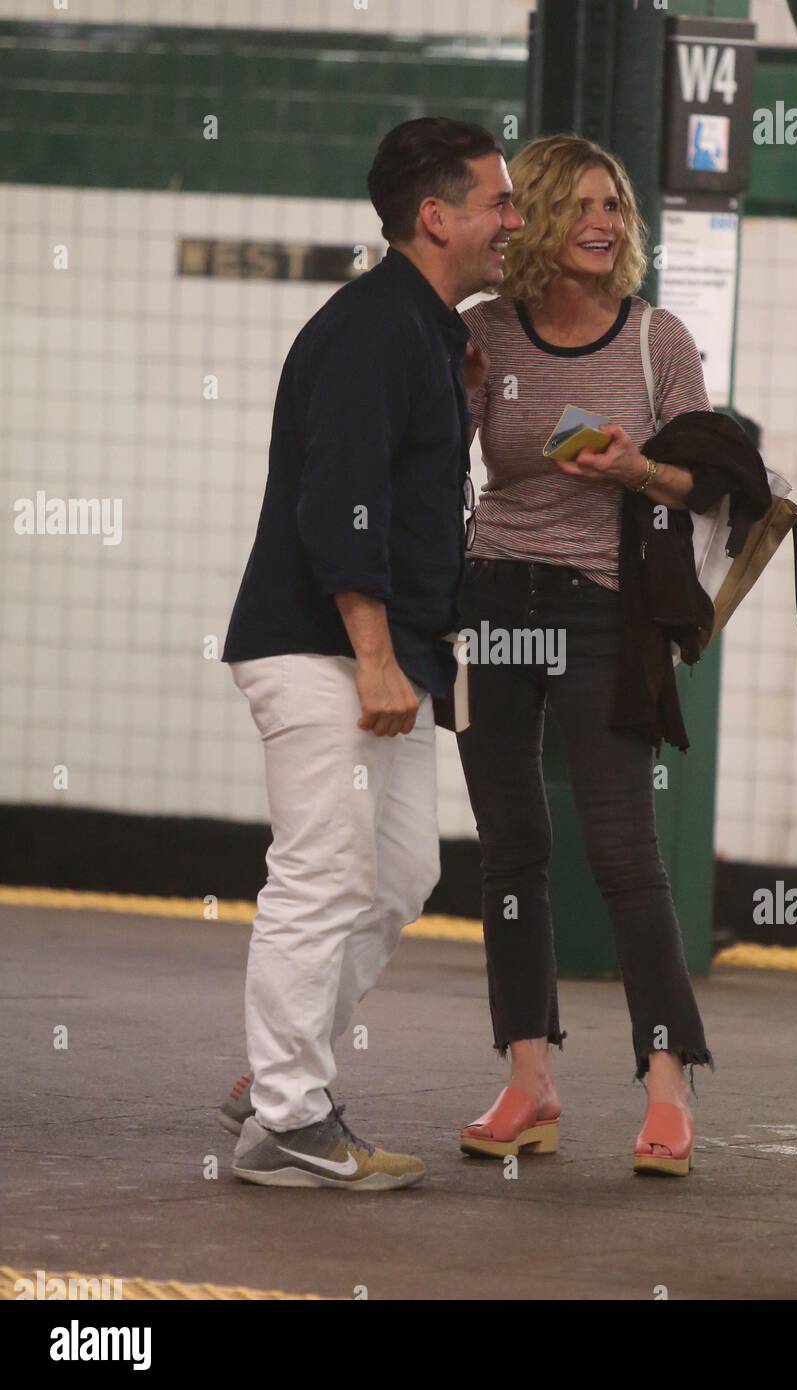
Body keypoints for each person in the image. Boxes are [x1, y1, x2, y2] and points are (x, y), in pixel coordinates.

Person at [219, 117, 523, 1190]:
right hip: (325, 650)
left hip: (385, 653)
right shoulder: (372, 329)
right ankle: (288, 1120)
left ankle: (275, 1080)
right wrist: (376, 654)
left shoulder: (425, 333)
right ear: (435, 216)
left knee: (398, 874)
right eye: (498, 201)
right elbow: (339, 504)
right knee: (322, 875)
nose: (514, 220)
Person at [456, 134, 713, 1177]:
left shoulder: (658, 339)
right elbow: (448, 459)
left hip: (605, 613)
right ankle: (530, 1077)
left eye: (615, 205)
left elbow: (709, 479)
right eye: (581, 205)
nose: (604, 223)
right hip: (491, 599)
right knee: (510, 847)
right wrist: (457, 384)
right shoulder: (485, 332)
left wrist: (636, 469)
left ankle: (668, 1084)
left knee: (622, 852)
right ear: (538, 220)